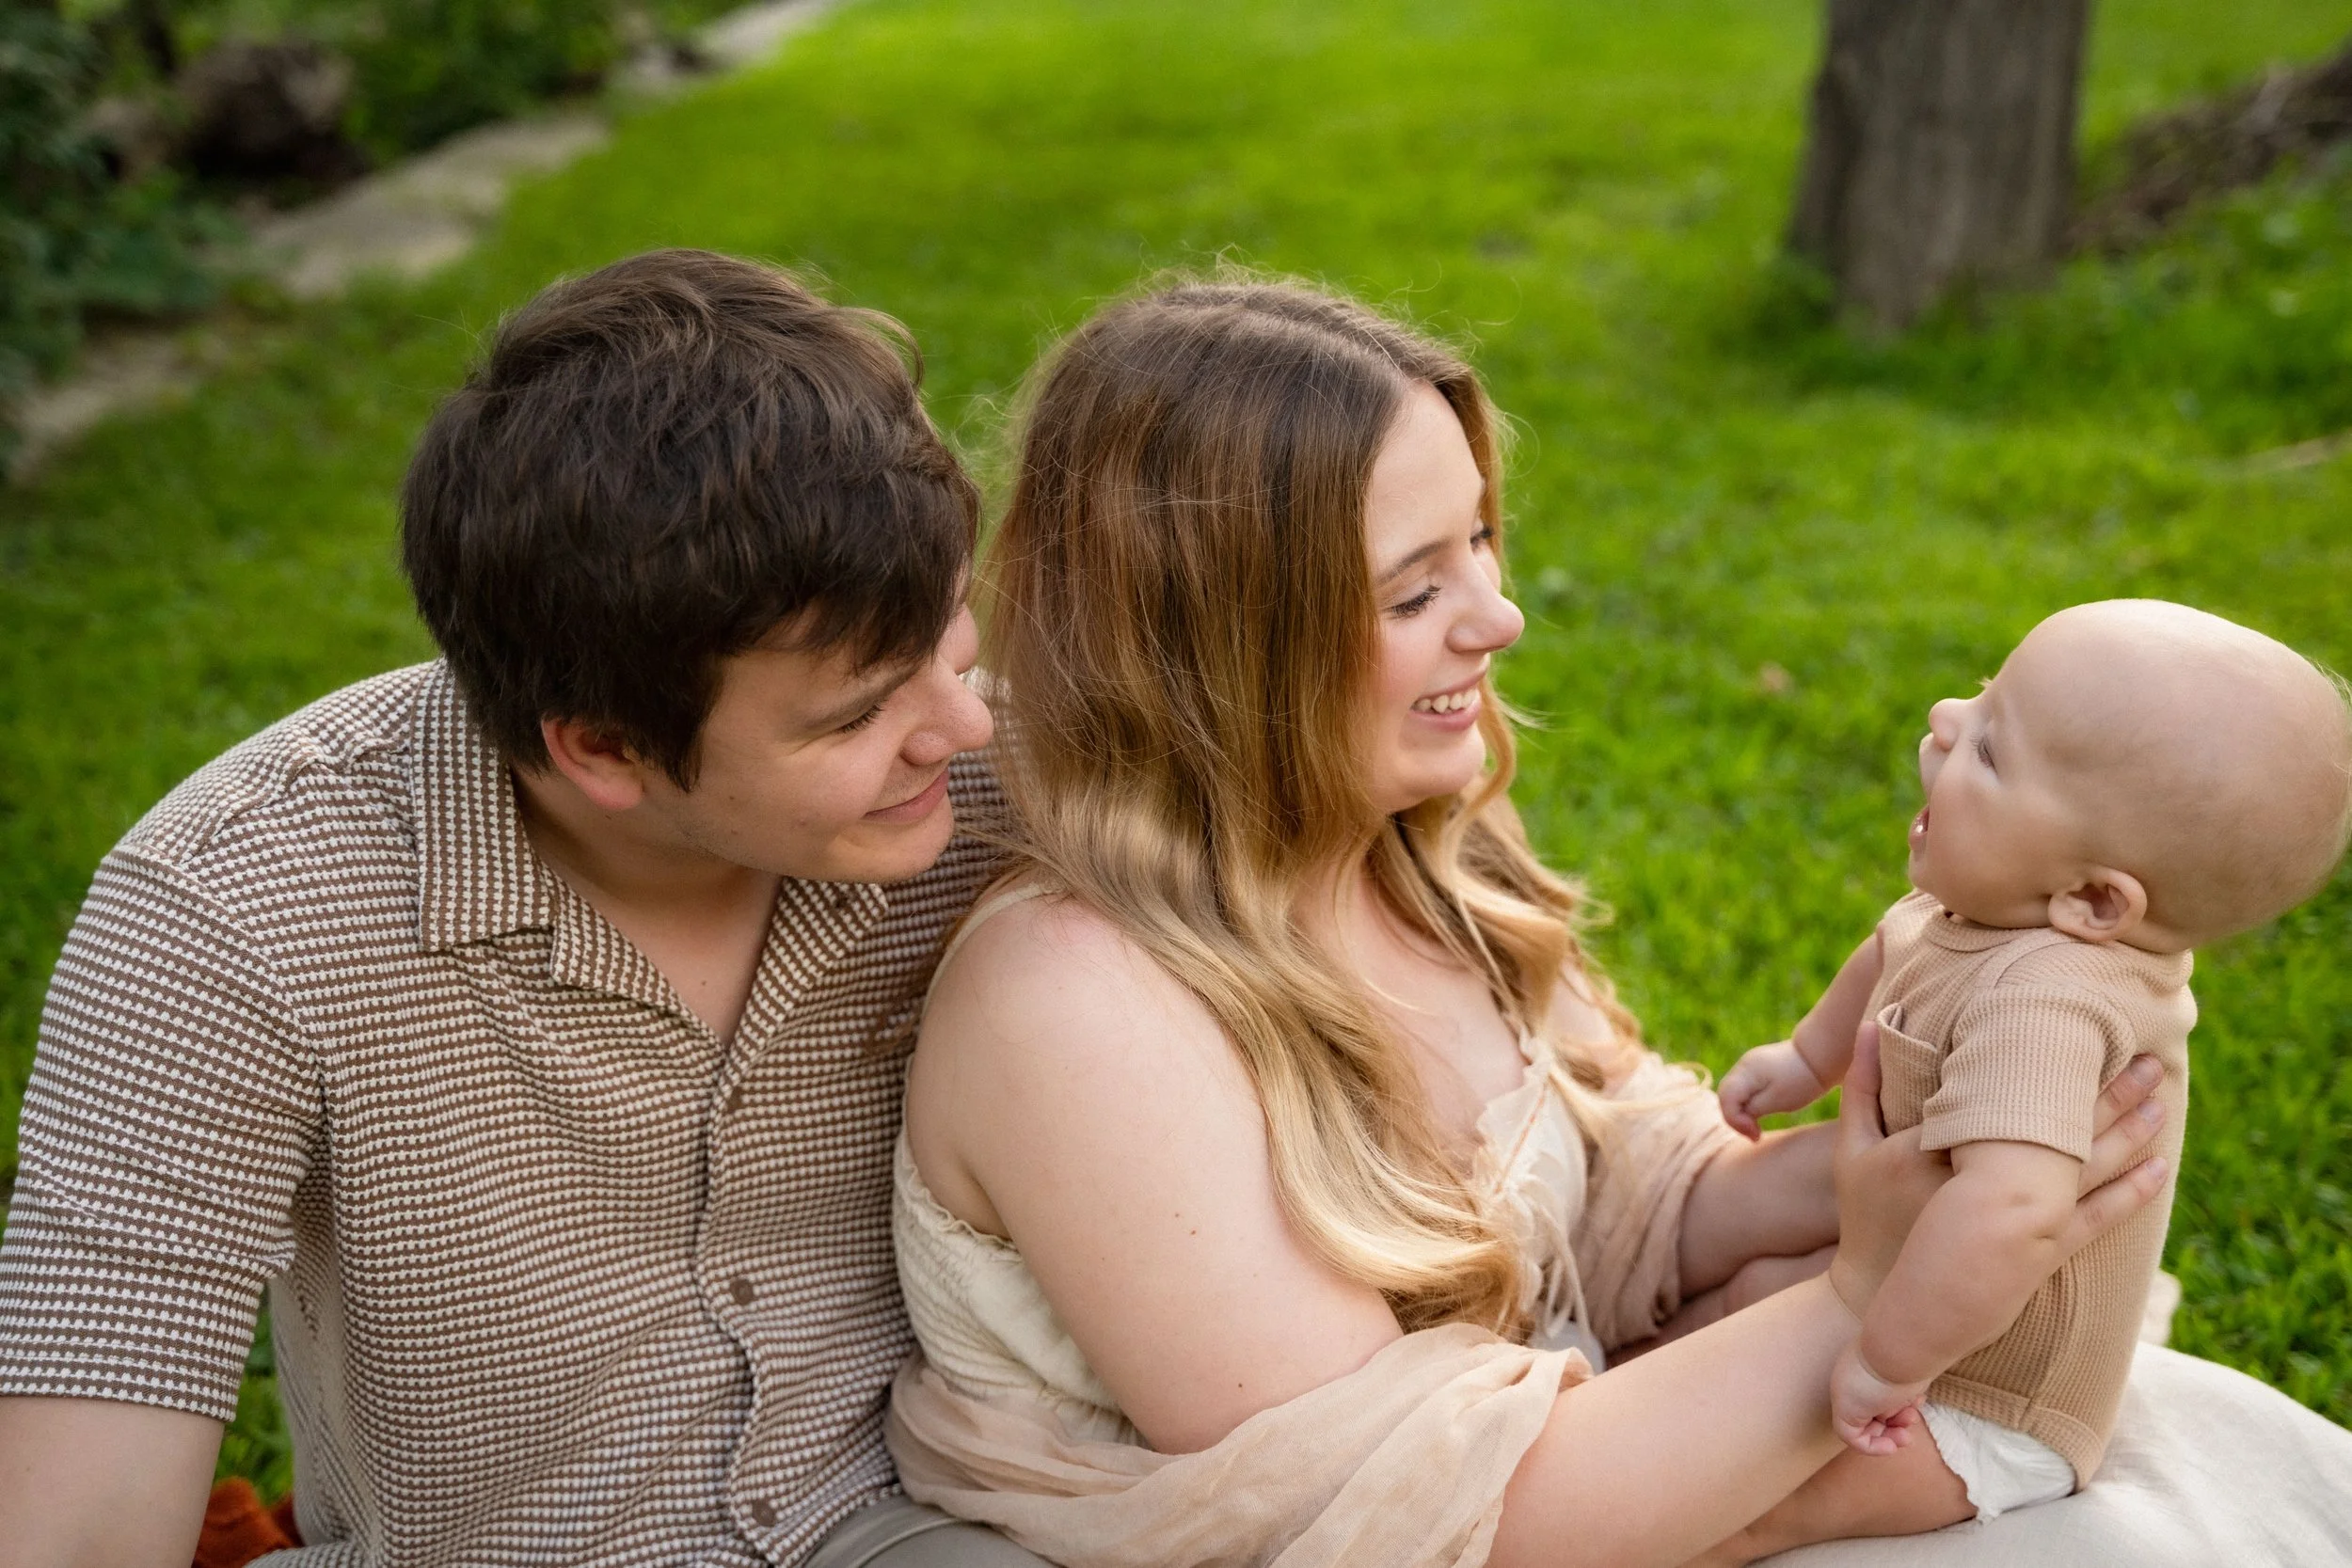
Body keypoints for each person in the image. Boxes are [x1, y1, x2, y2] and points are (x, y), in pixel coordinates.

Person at [882, 280, 2352, 1568]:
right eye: (1417, 587)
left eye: (1481, 541)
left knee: (2192, 1461)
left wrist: (1880, 1175)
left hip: (1570, 1445)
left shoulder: (1400, 843)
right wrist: (1866, 1289)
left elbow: (1597, 1176)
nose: (1498, 616)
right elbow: (1406, 1523)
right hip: (1425, 1535)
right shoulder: (1071, 1001)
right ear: (1219, 644)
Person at [0, 250, 1050, 1567]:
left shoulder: (1002, 789)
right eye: (854, 713)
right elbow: (79, 1502)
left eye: (949, 643)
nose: (962, 726)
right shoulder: (234, 906)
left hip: (903, 1526)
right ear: (602, 747)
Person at [1702, 600, 2352, 1558]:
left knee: (1746, 1498)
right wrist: (1807, 1059)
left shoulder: (2044, 1007)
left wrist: (1886, 1363)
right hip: (1927, 1300)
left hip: (1984, 1398)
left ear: (2092, 899)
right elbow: (1892, 950)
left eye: (1991, 748)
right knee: (1746, 1293)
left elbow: (2010, 1213)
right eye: (1981, 693)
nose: (1942, 717)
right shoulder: (1991, 903)